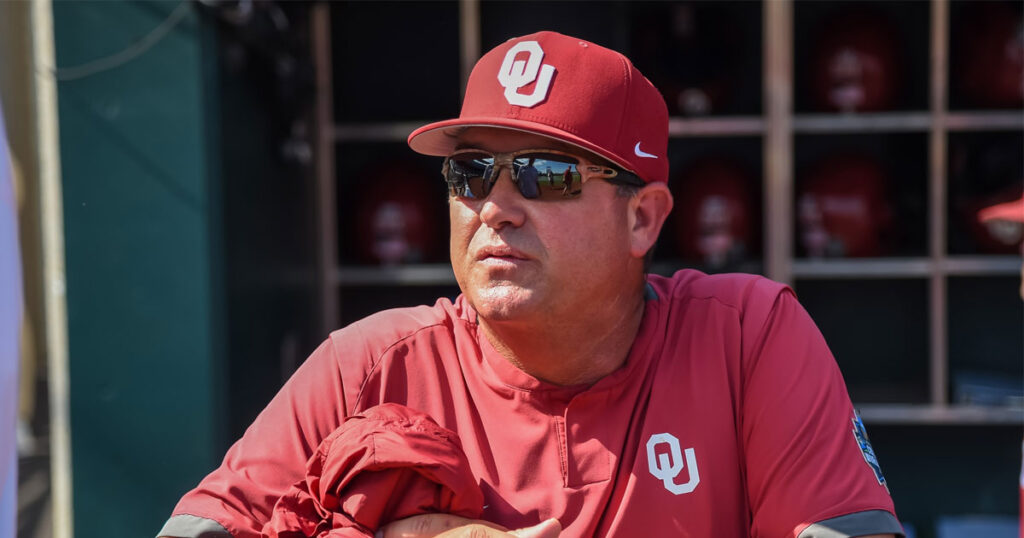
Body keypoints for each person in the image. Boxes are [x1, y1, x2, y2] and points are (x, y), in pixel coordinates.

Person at [160, 31, 903, 538]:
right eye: (471, 171)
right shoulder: (372, 364)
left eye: (546, 175)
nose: (495, 208)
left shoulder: (746, 335)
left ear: (643, 219)